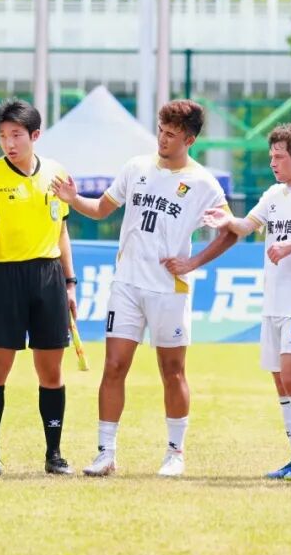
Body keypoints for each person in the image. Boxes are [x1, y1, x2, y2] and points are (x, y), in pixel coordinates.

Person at [52, 99, 238, 477]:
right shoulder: (136, 167)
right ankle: (106, 453)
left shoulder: (202, 182)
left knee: (173, 371)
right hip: (126, 284)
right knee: (114, 366)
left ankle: (175, 453)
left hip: (169, 289)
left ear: (189, 140)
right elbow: (102, 209)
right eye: (160, 130)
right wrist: (73, 199)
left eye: (171, 134)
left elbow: (231, 231)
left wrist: (193, 263)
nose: (162, 139)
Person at [203, 123, 291, 481]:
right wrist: (227, 220)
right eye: (271, 156)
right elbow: (247, 226)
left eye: (279, 157)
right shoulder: (273, 194)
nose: (273, 163)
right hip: (273, 304)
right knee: (281, 383)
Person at [0, 99, 78, 476]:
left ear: (35, 135)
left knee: (51, 371)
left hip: (49, 277)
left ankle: (54, 453)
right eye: (2, 136)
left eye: (16, 135)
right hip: (5, 277)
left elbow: (62, 231)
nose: (9, 143)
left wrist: (69, 283)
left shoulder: (57, 173)